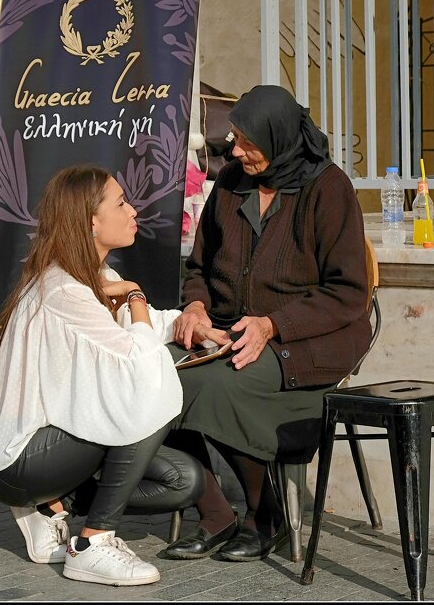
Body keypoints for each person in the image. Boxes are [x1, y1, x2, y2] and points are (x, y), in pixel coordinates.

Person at [163, 84, 372, 562]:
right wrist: (194, 308)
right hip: (231, 331)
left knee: (217, 383)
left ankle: (265, 516)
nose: (235, 151)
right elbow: (198, 267)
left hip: (309, 340)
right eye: (234, 139)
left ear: (278, 138)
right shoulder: (231, 183)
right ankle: (216, 515)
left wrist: (272, 325)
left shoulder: (328, 188)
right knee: (152, 373)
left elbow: (348, 292)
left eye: (246, 142)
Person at [0, 164, 204, 586]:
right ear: (90, 222)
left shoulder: (97, 278)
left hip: (52, 453)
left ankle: (51, 508)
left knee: (183, 480)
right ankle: (93, 544)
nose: (133, 211)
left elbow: (146, 326)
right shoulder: (64, 290)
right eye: (121, 203)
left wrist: (192, 326)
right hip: (19, 460)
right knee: (143, 389)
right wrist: (134, 291)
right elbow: (140, 360)